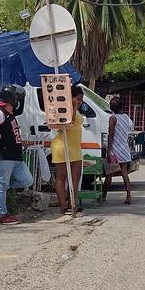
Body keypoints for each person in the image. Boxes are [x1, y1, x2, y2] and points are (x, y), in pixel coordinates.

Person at [0, 85, 33, 224]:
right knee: (2, 185)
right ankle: (3, 215)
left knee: (27, 180)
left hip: (15, 155)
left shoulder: (10, 115)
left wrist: (22, 143)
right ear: (12, 99)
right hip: (4, 155)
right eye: (16, 98)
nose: (18, 101)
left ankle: (1, 189)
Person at [51, 83, 86, 215]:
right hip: (62, 145)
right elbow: (68, 122)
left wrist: (76, 105)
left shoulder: (76, 108)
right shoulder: (65, 109)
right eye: (79, 98)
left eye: (81, 99)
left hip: (75, 147)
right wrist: (73, 105)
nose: (80, 102)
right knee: (61, 176)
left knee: (76, 176)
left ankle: (72, 203)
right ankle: (63, 205)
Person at [102, 95, 134, 205]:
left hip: (114, 150)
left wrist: (108, 151)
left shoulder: (113, 118)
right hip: (124, 149)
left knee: (109, 175)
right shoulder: (126, 117)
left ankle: (103, 197)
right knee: (124, 174)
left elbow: (111, 136)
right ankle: (129, 196)